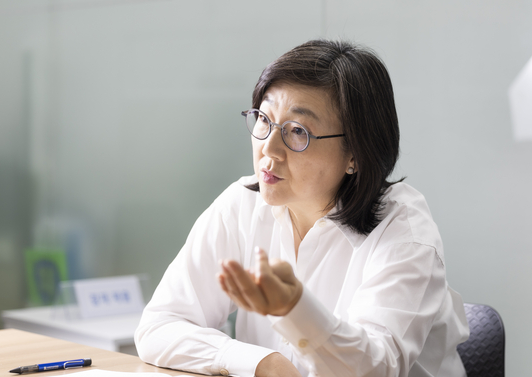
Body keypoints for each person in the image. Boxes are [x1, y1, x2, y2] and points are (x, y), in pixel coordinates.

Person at [134, 39, 469, 377]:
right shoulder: (242, 204)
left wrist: (295, 310)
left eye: (297, 131)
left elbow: (374, 369)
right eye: (264, 119)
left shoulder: (404, 231)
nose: (269, 149)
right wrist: (262, 362)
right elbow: (159, 326)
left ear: (355, 154)